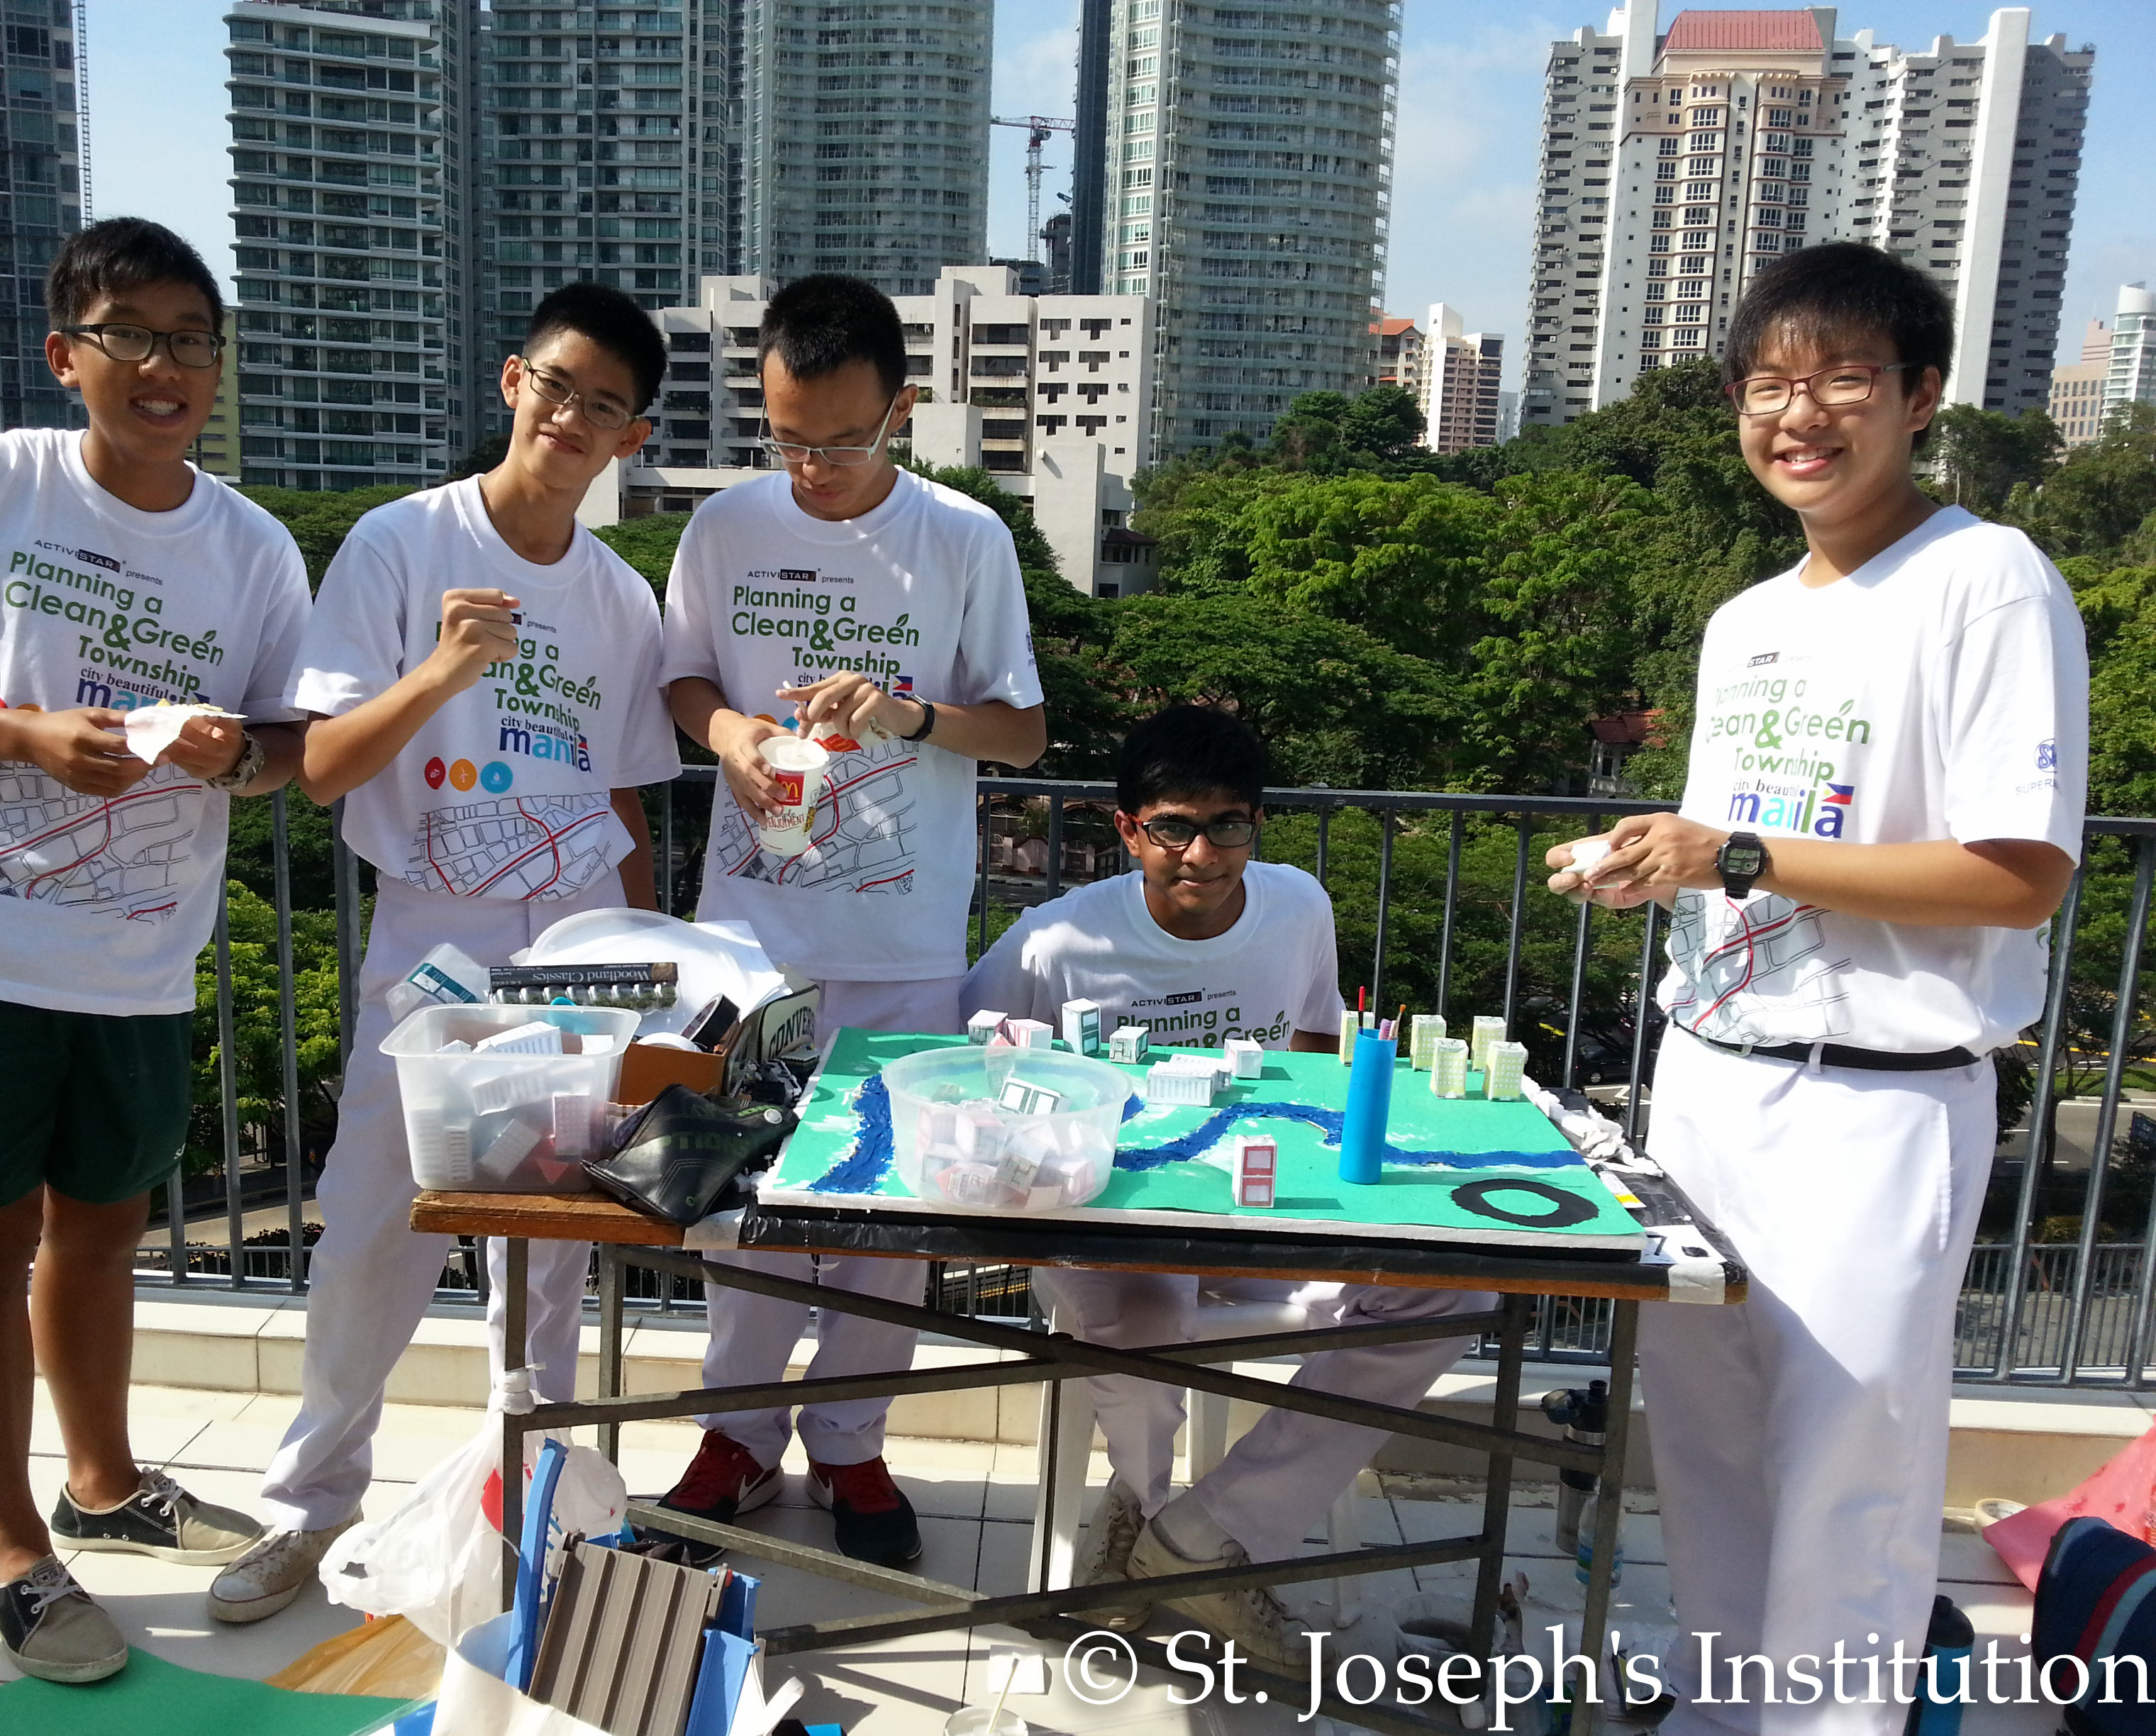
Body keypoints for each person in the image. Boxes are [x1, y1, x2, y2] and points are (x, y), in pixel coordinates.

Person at [1548, 243, 2086, 1736]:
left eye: (1843, 380)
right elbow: (1754, 855)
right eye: (1771, 385)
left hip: (1881, 1102)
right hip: (1715, 1073)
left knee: (1852, 1470)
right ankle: (1727, 1714)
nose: (1802, 414)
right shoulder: (1750, 619)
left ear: (1920, 396)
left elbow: (2015, 871)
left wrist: (1739, 850)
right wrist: (1660, 858)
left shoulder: (1985, 581)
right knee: (1709, 1449)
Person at [0, 219, 311, 1683]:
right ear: (69, 356)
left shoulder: (253, 545)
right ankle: (14, 1552)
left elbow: (292, 745)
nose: (167, 366)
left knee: (107, 1229)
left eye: (192, 338)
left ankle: (100, 1486)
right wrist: (21, 734)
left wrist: (243, 757)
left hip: (138, 957)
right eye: (133, 335)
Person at [205, 282, 679, 1625]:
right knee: (371, 1235)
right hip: (438, 948)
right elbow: (322, 770)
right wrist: (441, 670)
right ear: (513, 378)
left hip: (580, 952)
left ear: (631, 440)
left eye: (607, 407)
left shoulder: (620, 600)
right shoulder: (402, 544)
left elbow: (626, 796)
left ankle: (529, 1513)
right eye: (560, 385)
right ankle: (307, 1510)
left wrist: (653, 980)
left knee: (548, 1263)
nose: (573, 418)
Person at [653, 274, 1047, 1569]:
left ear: (905, 410)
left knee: (885, 1214)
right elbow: (683, 680)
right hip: (748, 936)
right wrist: (729, 734)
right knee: (734, 1204)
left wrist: (905, 714)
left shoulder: (963, 540)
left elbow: (1025, 732)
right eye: (787, 438)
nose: (811, 467)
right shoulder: (724, 527)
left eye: (841, 440)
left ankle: (853, 1442)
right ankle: (737, 1436)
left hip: (902, 939)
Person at [960, 705, 1486, 1669]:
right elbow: (971, 1062)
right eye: (1173, 827)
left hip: (1263, 1216)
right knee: (1148, 1313)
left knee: (1454, 1288)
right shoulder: (1053, 941)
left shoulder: (1297, 908)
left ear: (1256, 827)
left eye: (1228, 826)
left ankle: (1209, 1530)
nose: (1202, 853)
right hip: (1111, 1232)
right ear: (1128, 830)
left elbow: (1324, 1051)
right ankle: (1150, 1513)